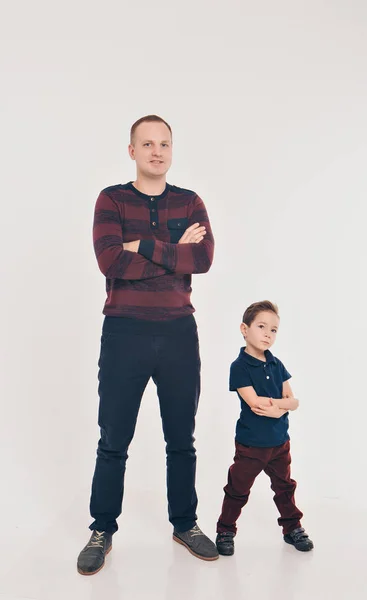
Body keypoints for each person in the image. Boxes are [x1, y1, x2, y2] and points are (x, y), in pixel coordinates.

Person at [77, 115, 219, 576]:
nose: (157, 151)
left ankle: (185, 523)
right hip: (124, 332)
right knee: (113, 440)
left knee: (182, 439)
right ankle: (102, 529)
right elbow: (109, 261)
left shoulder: (190, 201)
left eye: (164, 144)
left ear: (171, 150)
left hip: (179, 332)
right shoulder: (111, 200)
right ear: (132, 150)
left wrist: (143, 244)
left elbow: (202, 260)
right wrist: (172, 247)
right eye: (147, 144)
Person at [215, 301, 314, 555]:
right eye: (261, 326)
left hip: (280, 442)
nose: (268, 334)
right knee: (238, 489)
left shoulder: (276, 364)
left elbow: (295, 400)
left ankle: (292, 527)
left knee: (285, 487)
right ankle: (226, 529)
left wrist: (280, 406)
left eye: (274, 330)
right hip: (251, 444)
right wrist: (283, 405)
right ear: (244, 329)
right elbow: (255, 403)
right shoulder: (239, 367)